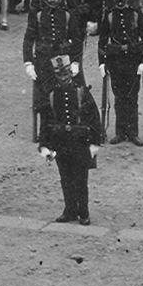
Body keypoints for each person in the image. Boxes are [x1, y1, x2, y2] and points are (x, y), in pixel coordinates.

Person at [38, 54, 102, 225]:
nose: (63, 78)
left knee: (81, 179)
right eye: (60, 75)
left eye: (66, 74)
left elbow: (94, 118)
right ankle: (70, 210)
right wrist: (45, 145)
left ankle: (84, 212)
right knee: (65, 178)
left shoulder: (82, 92)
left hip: (80, 143)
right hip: (61, 144)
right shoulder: (52, 95)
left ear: (71, 74)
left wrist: (95, 142)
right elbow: (46, 122)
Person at [95, 0, 143, 146]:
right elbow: (102, 41)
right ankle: (120, 132)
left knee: (132, 97)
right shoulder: (109, 16)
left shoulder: (135, 14)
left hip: (133, 61)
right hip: (116, 62)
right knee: (119, 97)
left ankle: (133, 132)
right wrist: (102, 64)